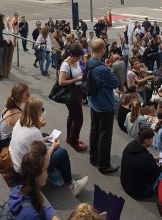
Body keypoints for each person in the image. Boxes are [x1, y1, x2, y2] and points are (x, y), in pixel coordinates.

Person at [8, 97, 90, 195]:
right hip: (27, 174)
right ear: (36, 112)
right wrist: (53, 147)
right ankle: (71, 186)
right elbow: (43, 158)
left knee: (46, 136)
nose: (43, 112)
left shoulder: (19, 122)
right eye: (41, 109)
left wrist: (42, 138)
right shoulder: (34, 132)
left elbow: (30, 141)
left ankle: (59, 169)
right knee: (62, 153)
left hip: (17, 165)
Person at [86, 38, 121, 174]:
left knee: (94, 131)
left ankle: (94, 158)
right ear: (102, 50)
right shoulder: (102, 69)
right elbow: (115, 82)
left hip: (93, 102)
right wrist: (109, 69)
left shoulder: (89, 62)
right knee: (105, 136)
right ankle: (104, 165)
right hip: (105, 105)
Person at [6, 141, 62, 220]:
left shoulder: (19, 189)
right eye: (45, 169)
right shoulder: (30, 215)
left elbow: (41, 209)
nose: (47, 173)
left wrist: (52, 215)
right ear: (35, 175)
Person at [57, 45, 89, 152]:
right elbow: (61, 82)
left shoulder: (74, 61)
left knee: (72, 115)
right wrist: (77, 79)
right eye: (78, 57)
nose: (79, 59)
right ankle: (74, 141)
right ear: (72, 55)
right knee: (78, 119)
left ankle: (70, 137)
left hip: (77, 91)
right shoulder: (65, 65)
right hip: (71, 93)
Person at [120, 127, 161, 200]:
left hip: (125, 183)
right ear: (146, 141)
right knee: (160, 177)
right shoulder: (146, 158)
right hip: (137, 192)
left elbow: (138, 161)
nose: (153, 140)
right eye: (152, 138)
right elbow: (158, 172)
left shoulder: (131, 145)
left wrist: (152, 160)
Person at [0, 83, 30, 154]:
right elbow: (28, 130)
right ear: (21, 97)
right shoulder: (17, 115)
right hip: (5, 143)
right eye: (27, 94)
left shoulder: (8, 105)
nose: (29, 96)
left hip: (1, 137)